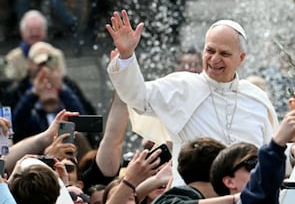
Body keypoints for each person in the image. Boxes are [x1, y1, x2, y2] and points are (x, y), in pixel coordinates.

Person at [106, 10, 279, 185]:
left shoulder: (256, 99)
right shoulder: (181, 86)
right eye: (210, 51)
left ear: (240, 58)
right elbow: (136, 96)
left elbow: (271, 153)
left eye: (224, 54)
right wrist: (126, 56)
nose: (214, 59)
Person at [3, 10, 66, 81]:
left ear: (45, 32)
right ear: (22, 32)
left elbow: (61, 83)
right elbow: (9, 87)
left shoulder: (55, 55)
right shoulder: (12, 58)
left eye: (38, 29)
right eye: (30, 30)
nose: (34, 33)